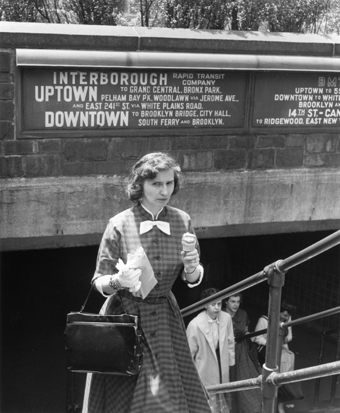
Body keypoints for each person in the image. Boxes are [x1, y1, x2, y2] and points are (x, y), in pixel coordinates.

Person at [82, 152, 211, 413]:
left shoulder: (182, 220)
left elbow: (191, 279)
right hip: (125, 317)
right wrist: (118, 281)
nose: (164, 190)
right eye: (156, 184)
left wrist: (193, 268)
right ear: (140, 185)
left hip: (165, 318)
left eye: (169, 183)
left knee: (165, 398)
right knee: (124, 396)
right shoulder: (119, 224)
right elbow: (100, 280)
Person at [186, 288, 235, 413]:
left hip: (221, 362)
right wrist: (190, 375)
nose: (217, 307)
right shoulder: (195, 324)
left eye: (219, 303)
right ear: (205, 305)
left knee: (223, 395)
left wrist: (230, 362)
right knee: (207, 399)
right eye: (213, 304)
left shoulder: (227, 318)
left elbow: (230, 341)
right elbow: (189, 353)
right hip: (204, 365)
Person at [253, 300, 303, 413]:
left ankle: (280, 404)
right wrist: (271, 343)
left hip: (282, 350)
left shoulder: (287, 319)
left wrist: (282, 341)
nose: (286, 317)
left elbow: (289, 336)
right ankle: (266, 404)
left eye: (288, 315)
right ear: (278, 311)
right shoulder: (264, 320)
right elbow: (256, 338)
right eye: (284, 314)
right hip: (266, 351)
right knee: (270, 377)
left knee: (283, 376)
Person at [224, 293, 262, 413]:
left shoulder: (243, 314)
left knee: (245, 380)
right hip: (226, 351)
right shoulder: (221, 315)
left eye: (238, 301)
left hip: (241, 352)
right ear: (226, 302)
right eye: (233, 301)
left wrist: (248, 337)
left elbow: (245, 331)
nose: (236, 305)